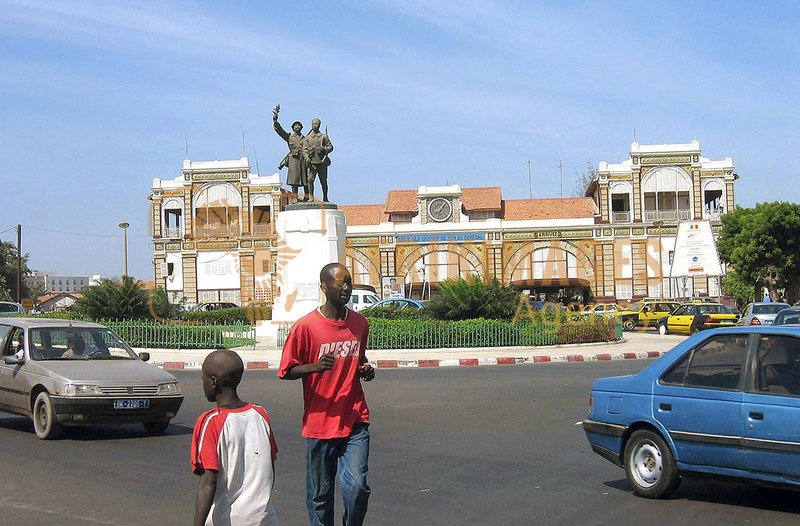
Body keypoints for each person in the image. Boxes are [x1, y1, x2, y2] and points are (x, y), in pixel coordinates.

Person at [278, 263, 375, 526]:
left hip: (355, 418)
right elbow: (286, 370)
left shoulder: (359, 324)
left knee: (357, 488)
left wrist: (366, 370)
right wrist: (315, 367)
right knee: (320, 497)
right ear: (324, 287)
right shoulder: (306, 327)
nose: (346, 288)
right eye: (340, 282)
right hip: (320, 424)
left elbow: (358, 360)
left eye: (349, 282)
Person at [192, 350, 279, 526]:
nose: (203, 383)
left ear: (213, 382)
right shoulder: (261, 414)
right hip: (265, 518)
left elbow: (208, 483)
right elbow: (269, 469)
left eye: (204, 378)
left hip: (228, 520)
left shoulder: (210, 422)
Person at [273, 104, 308, 201]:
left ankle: (307, 197)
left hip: (302, 159)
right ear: (293, 128)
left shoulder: (305, 139)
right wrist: (275, 121)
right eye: (295, 125)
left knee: (305, 179)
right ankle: (295, 198)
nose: (297, 126)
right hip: (293, 160)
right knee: (294, 180)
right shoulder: (289, 137)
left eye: (299, 125)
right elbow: (280, 131)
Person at [303, 118, 334, 202]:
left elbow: (330, 147)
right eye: (313, 124)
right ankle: (311, 196)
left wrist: (324, 149)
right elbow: (304, 150)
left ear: (319, 125)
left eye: (316, 124)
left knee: (323, 181)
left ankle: (325, 197)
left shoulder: (323, 136)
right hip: (312, 162)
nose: (314, 125)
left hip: (321, 162)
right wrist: (307, 158)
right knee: (310, 180)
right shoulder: (308, 138)